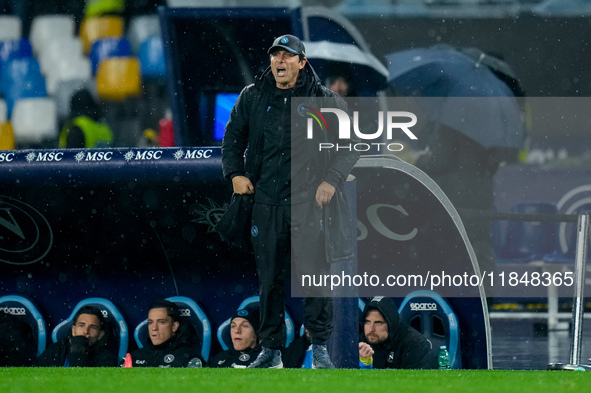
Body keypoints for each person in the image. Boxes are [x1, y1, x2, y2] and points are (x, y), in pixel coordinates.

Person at [221, 34, 359, 369]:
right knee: (269, 281)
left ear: (302, 62)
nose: (279, 61)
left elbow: (350, 144)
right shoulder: (253, 97)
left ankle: (320, 349)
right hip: (266, 204)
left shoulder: (326, 101)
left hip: (309, 205)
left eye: (287, 56)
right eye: (275, 55)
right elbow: (232, 136)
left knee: (314, 278)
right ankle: (271, 351)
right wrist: (235, 174)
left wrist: (331, 180)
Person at [359, 297, 438, 370]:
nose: (371, 329)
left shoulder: (414, 344)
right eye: (367, 322)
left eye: (378, 323)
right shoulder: (358, 344)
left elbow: (425, 382)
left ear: (391, 324)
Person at [124, 300, 204, 368]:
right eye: (150, 322)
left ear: (174, 326)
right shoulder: (133, 358)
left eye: (161, 322)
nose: (154, 328)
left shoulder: (189, 358)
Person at [37, 305, 117, 367]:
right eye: (81, 325)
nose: (86, 331)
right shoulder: (57, 350)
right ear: (73, 330)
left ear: (100, 334)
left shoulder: (106, 358)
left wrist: (79, 349)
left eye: (93, 327)